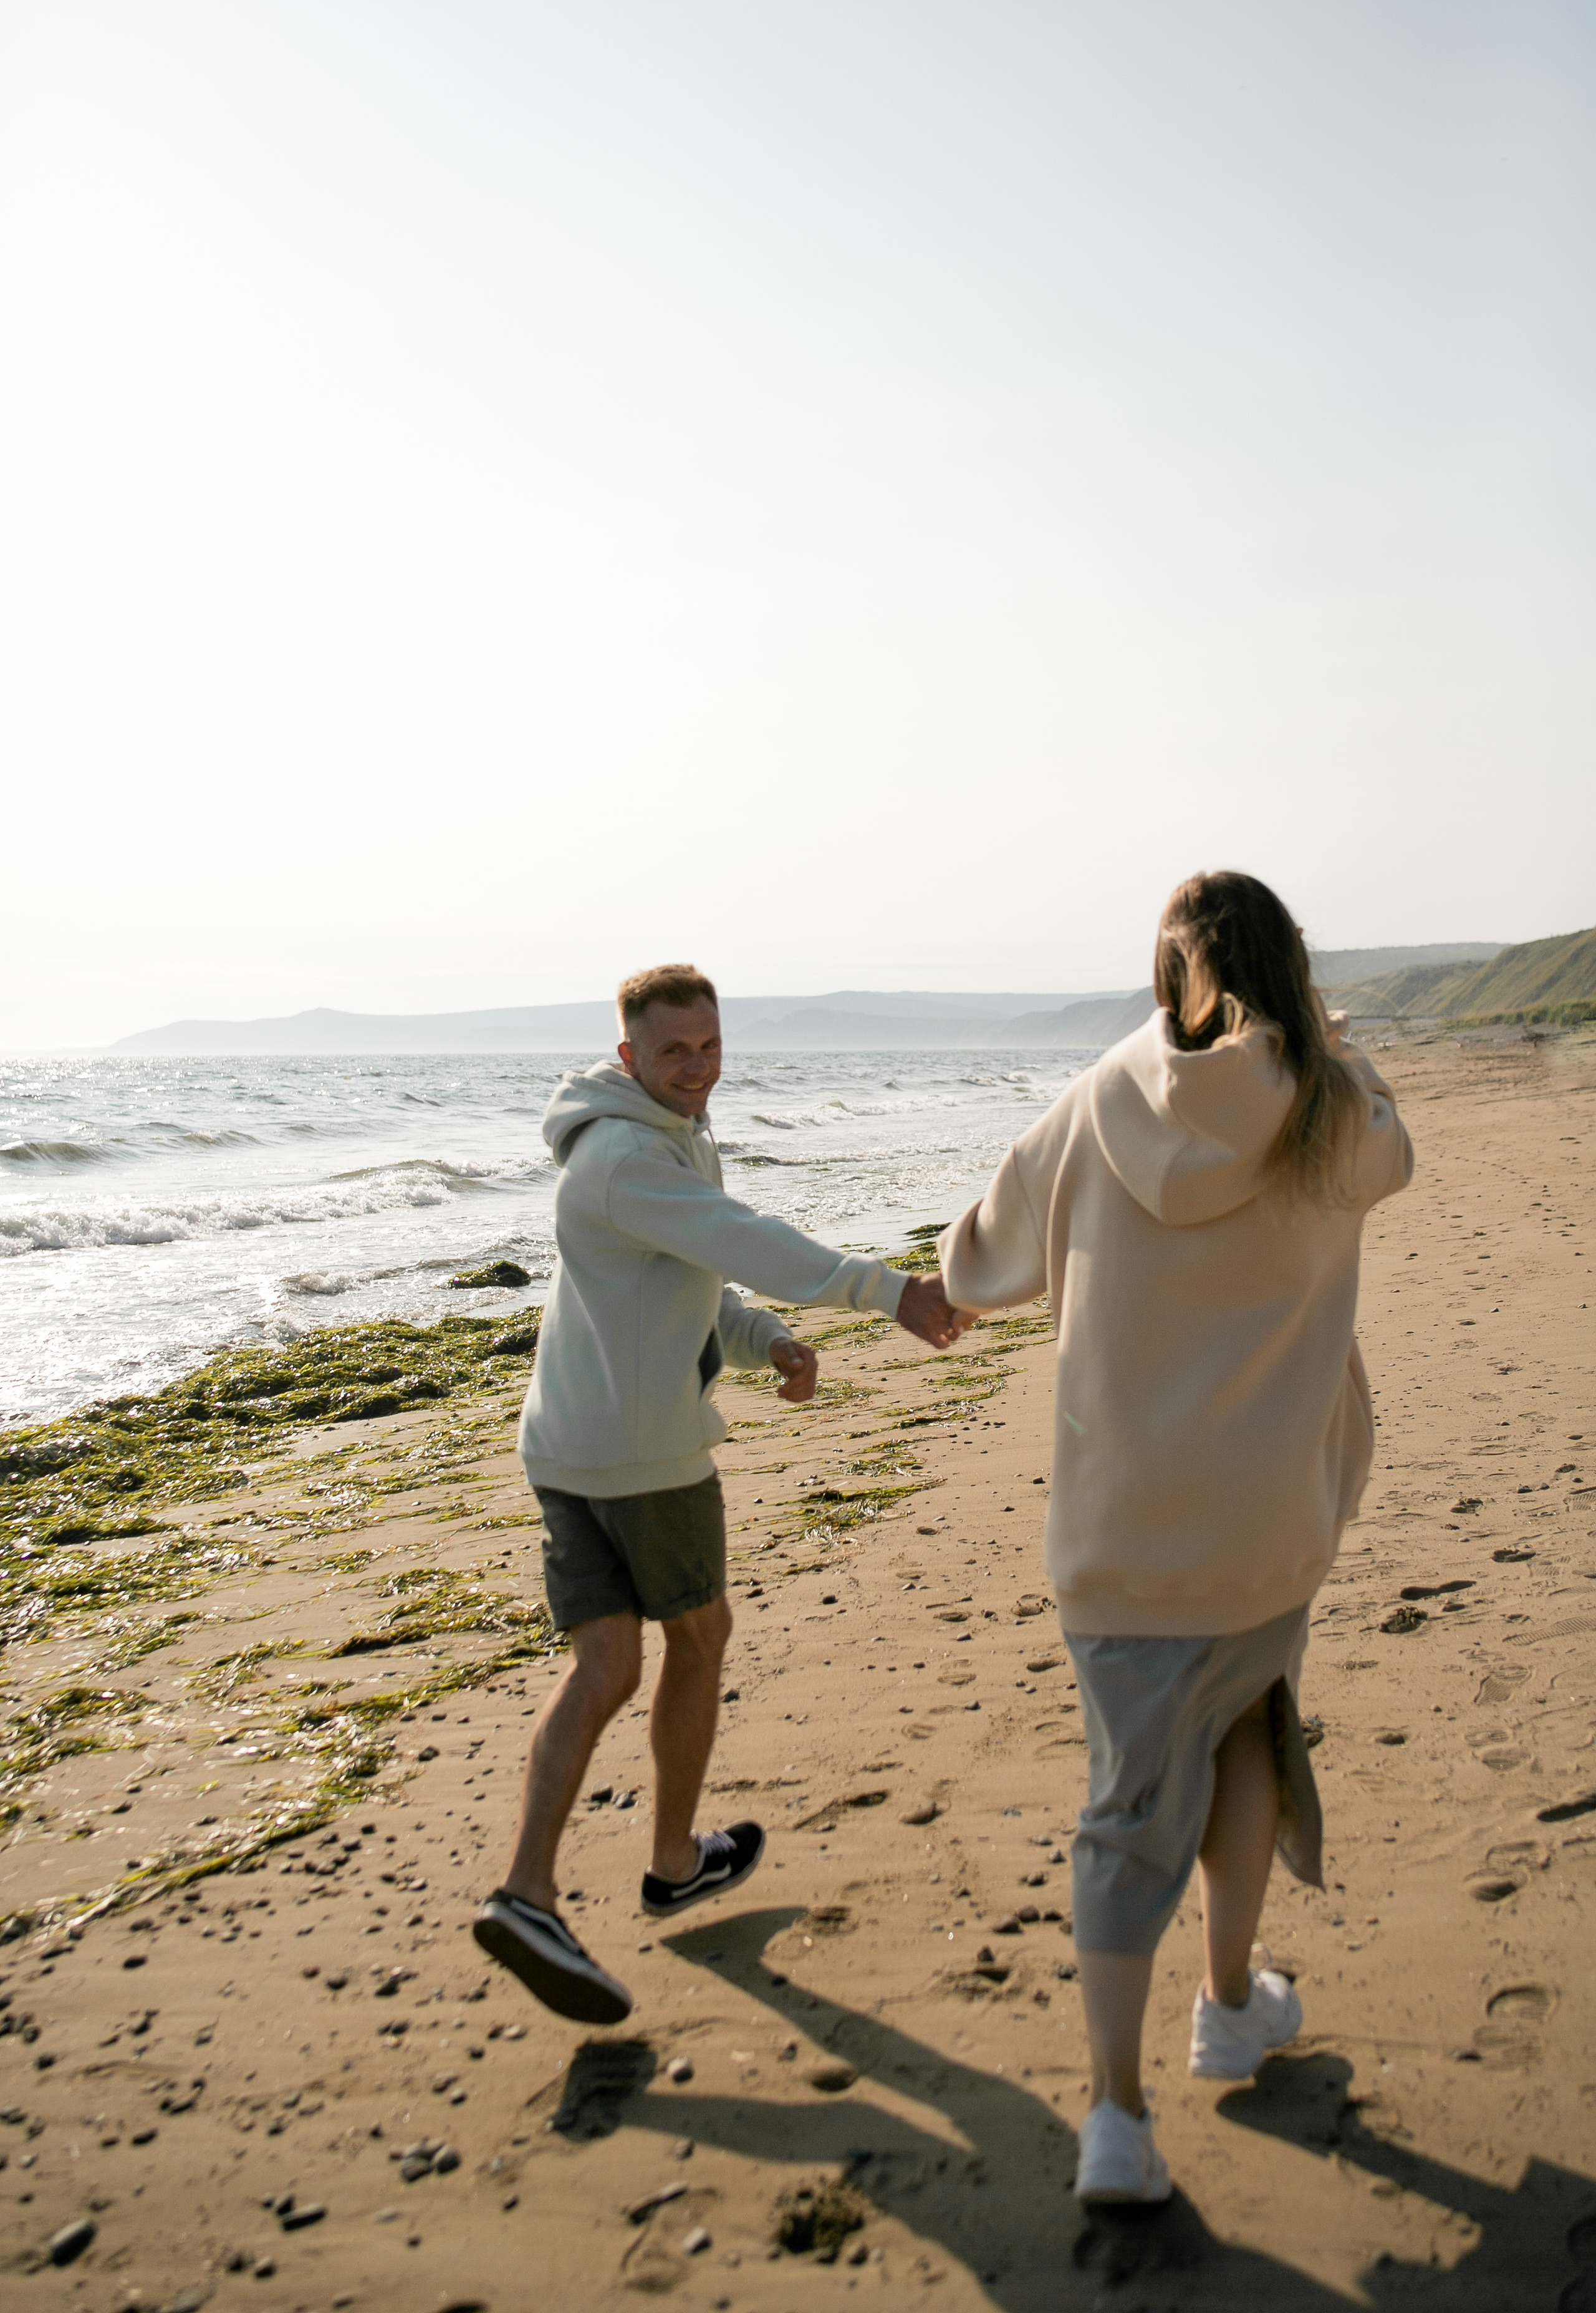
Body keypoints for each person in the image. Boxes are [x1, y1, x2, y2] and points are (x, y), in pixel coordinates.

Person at [938, 873, 1413, 2205]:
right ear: (1291, 968)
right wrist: (1316, 1034)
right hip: (1264, 1523)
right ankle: (1222, 2004)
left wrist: (929, 1287)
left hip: (1116, 1534)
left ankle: (1114, 2116)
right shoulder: (1329, 1107)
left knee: (1125, 1804)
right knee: (1250, 1720)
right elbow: (1397, 1150)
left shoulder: (1097, 1096)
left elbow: (981, 1256)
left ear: (1164, 975)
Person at [474, 963, 966, 2024]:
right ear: (628, 1059)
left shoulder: (656, 1140)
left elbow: (683, 1273)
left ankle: (529, 1891)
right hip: (644, 1459)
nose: (695, 1069)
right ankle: (666, 1860)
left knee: (605, 1664)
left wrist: (759, 1337)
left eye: (709, 1048)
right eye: (673, 1053)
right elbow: (744, 1240)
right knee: (699, 1637)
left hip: (564, 1447)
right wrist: (890, 1293)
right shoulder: (621, 1159)